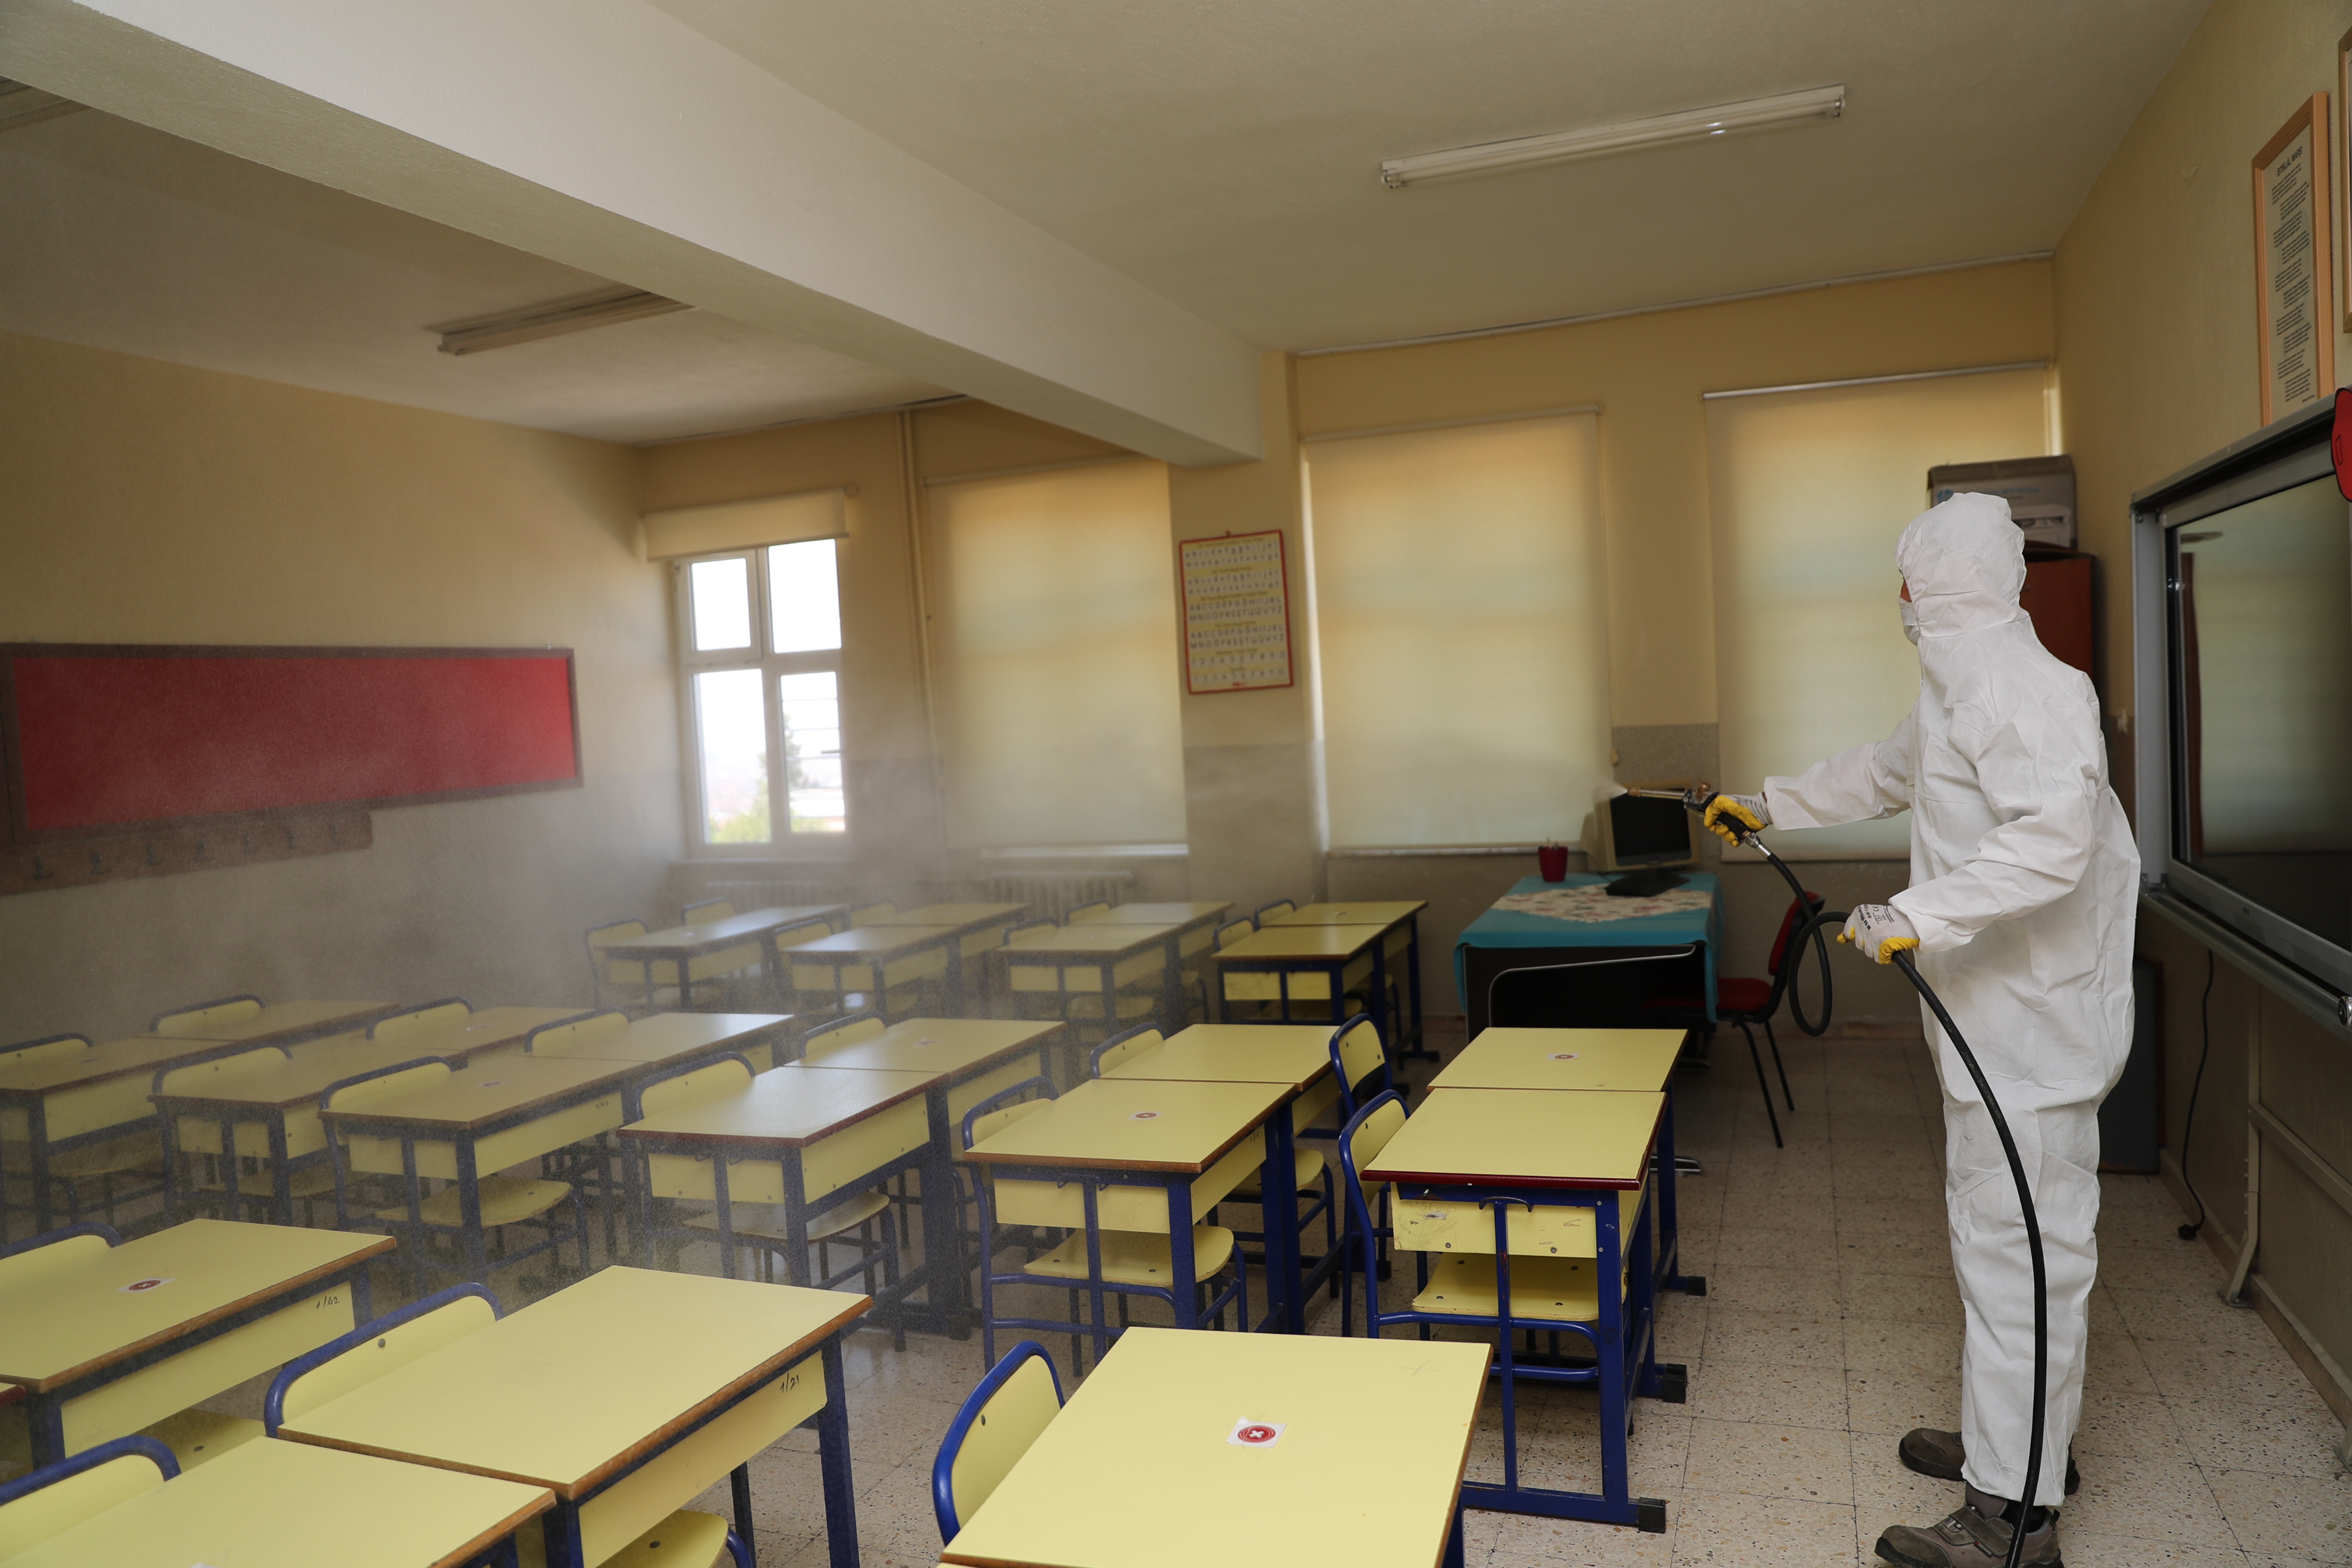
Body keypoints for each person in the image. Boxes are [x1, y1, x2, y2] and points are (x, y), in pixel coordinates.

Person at [1703, 492, 2138, 1568]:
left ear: (1936, 583)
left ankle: (2013, 1518)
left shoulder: (2030, 689)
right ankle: (2017, 1448)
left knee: (2024, 1258)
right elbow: (1887, 771)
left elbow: (2052, 844)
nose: (1898, 597)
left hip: (2033, 1034)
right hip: (1992, 1023)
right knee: (1999, 1247)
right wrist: (1770, 802)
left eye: (1907, 577)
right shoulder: (1959, 684)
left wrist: (1916, 914)